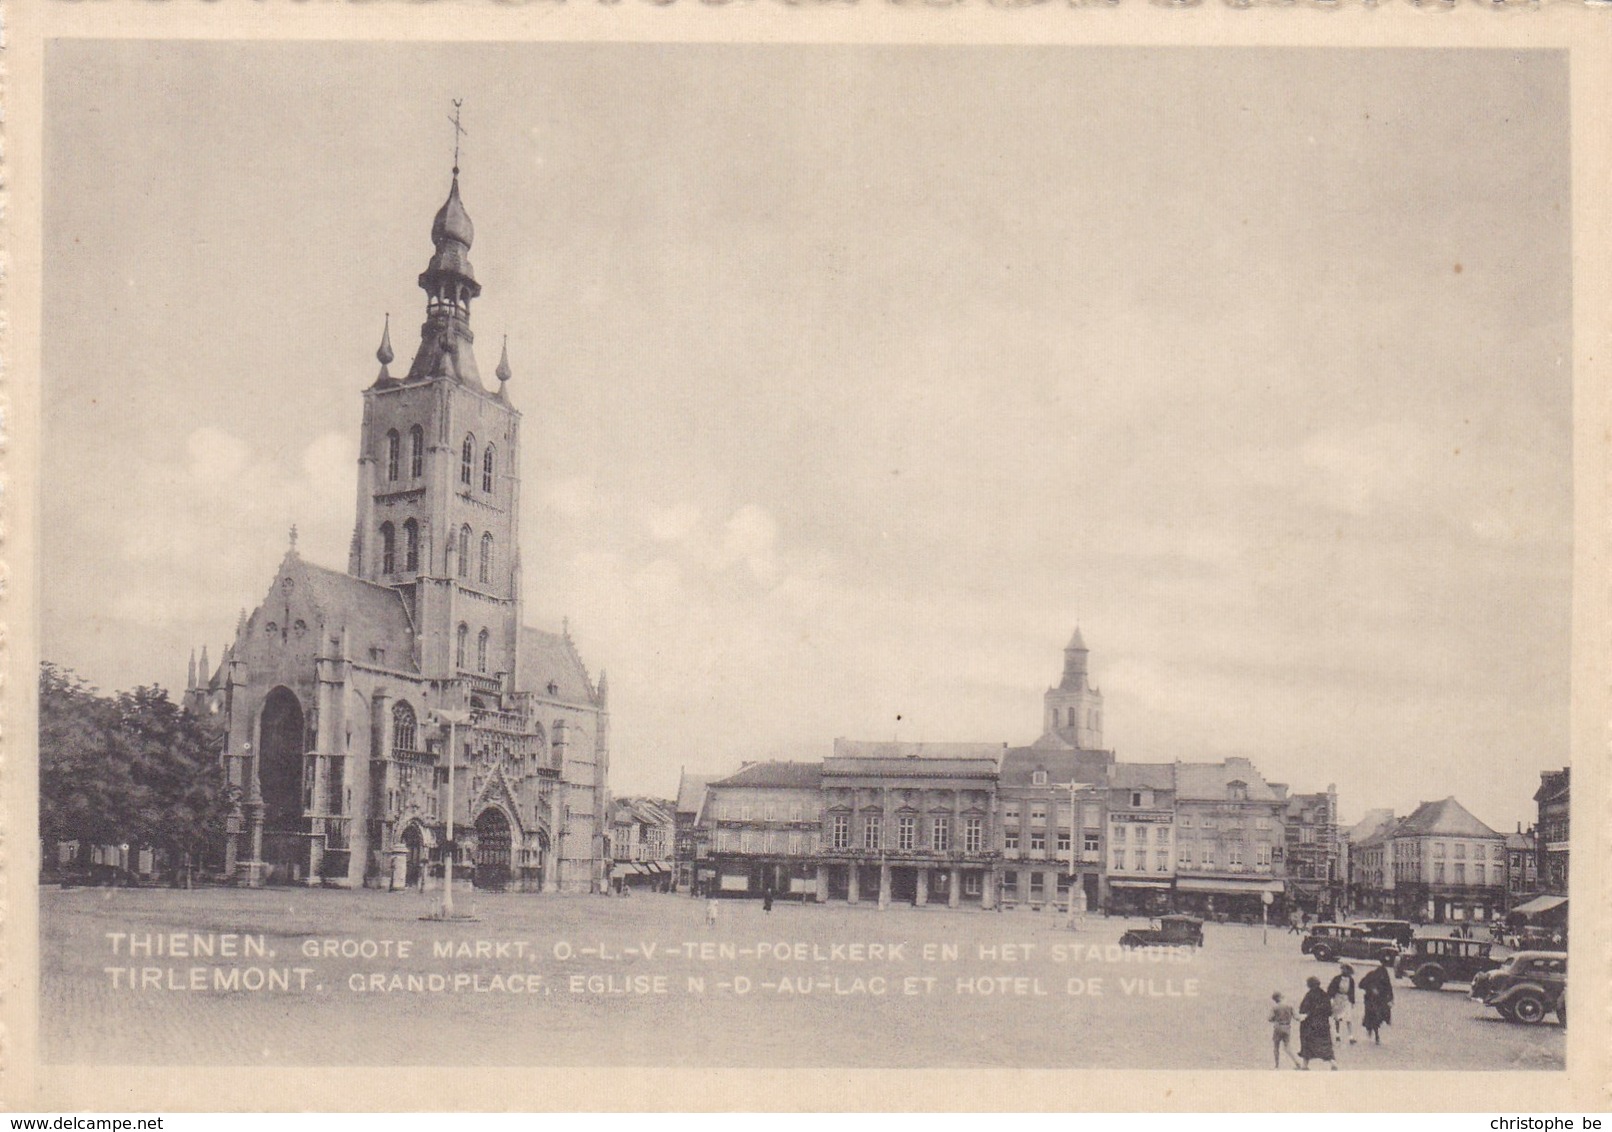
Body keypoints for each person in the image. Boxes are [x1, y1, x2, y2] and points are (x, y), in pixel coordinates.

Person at [1298, 975, 1337, 1070]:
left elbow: (1303, 1009)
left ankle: (1305, 1065)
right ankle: (1333, 1063)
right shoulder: (1324, 995)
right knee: (1325, 1044)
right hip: (1323, 1024)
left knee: (1307, 1044)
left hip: (1310, 1024)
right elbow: (1329, 1011)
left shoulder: (1309, 995)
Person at [1360, 957, 1394, 1045]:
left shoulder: (1385, 976)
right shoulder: (1371, 975)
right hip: (1371, 1000)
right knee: (1374, 1016)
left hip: (1380, 1000)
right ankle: (1375, 1034)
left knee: (1379, 1016)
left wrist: (1390, 998)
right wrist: (1372, 989)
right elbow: (1361, 984)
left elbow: (1389, 988)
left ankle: (1373, 1031)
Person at [1269, 992, 1301, 1069]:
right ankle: (1297, 1062)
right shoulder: (1290, 1006)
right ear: (1281, 997)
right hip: (1287, 1027)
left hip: (1278, 1027)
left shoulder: (1274, 1007)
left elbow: (1270, 1018)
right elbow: (1297, 1018)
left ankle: (1276, 1066)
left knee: (1276, 1047)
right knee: (1287, 1047)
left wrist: (1275, 1019)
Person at [1328, 963, 1358, 1045]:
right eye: (1342, 969)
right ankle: (1337, 1035)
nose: (1343, 971)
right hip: (1338, 998)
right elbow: (1331, 988)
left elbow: (1352, 991)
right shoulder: (1337, 979)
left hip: (1346, 999)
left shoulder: (1351, 980)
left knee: (1348, 1018)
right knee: (1337, 1018)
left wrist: (1352, 1001)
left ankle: (1350, 1036)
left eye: (1344, 969)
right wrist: (1330, 997)